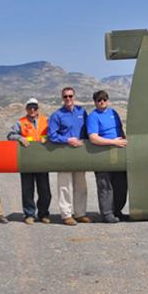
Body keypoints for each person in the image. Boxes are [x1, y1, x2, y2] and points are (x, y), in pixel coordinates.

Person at [48, 87, 91, 226]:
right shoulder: (57, 115)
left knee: (81, 185)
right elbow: (52, 135)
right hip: (64, 152)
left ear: (74, 96)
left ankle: (80, 213)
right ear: (62, 98)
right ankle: (66, 215)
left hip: (79, 153)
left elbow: (87, 131)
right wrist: (67, 140)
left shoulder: (82, 112)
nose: (68, 99)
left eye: (70, 96)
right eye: (65, 96)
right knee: (64, 185)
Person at [7, 98, 52, 225]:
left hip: (42, 160)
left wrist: (48, 137)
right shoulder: (20, 122)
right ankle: (29, 214)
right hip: (26, 161)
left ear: (38, 108)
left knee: (44, 190)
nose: (32, 110)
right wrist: (20, 138)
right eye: (30, 107)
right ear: (26, 109)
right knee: (27, 189)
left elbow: (53, 133)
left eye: (35, 107)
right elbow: (10, 135)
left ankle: (43, 214)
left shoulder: (46, 121)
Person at [86, 90, 128, 223]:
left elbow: (120, 130)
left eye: (104, 99)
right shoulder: (93, 117)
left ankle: (117, 211)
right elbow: (93, 138)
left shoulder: (113, 113)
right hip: (102, 154)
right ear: (95, 102)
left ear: (107, 100)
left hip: (118, 152)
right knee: (105, 185)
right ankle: (107, 214)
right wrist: (113, 142)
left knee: (121, 184)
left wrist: (122, 141)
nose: (102, 101)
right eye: (99, 100)